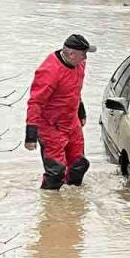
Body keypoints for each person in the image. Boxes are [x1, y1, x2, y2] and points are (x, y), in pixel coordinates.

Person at [25, 34, 95, 190]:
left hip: (72, 122)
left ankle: (71, 204)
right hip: (51, 127)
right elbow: (35, 102)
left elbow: (76, 89)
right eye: (83, 54)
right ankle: (50, 206)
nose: (85, 58)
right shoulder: (49, 71)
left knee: (79, 166)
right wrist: (31, 135)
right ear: (71, 54)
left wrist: (81, 112)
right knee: (56, 173)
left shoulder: (79, 64)